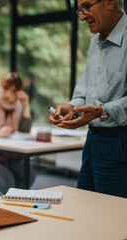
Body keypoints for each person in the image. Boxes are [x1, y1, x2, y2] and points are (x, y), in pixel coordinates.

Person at [49, 0, 127, 198]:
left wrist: (101, 112)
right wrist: (71, 107)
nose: (82, 16)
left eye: (87, 7)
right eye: (80, 10)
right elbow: (85, 92)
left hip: (119, 143)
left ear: (110, 2)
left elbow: (100, 107)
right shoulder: (96, 41)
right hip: (92, 140)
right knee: (85, 208)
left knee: (112, 218)